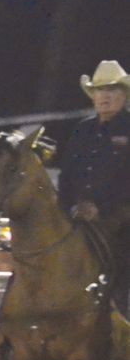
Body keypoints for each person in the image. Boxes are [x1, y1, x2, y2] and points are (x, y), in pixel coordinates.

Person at [57, 59, 130, 310]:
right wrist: (70, 207)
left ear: (124, 95)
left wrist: (103, 208)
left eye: (111, 90)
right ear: (93, 95)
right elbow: (66, 175)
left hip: (122, 221)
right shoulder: (82, 130)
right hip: (79, 218)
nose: (105, 96)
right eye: (100, 90)